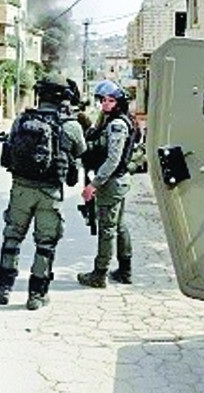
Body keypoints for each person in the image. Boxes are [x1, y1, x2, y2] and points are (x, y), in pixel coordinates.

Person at [0, 73, 86, 310]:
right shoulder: (70, 125)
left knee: (12, 237)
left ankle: (3, 288)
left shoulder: (22, 121)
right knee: (45, 244)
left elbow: (9, 153)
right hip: (49, 192)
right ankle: (36, 295)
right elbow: (81, 150)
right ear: (63, 97)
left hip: (21, 189)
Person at [77, 80, 135, 288]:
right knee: (118, 226)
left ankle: (99, 274)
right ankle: (125, 271)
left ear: (119, 102)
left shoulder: (117, 125)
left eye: (110, 100)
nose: (105, 104)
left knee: (107, 229)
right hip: (117, 182)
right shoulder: (112, 121)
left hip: (111, 183)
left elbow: (113, 159)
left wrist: (93, 185)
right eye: (103, 100)